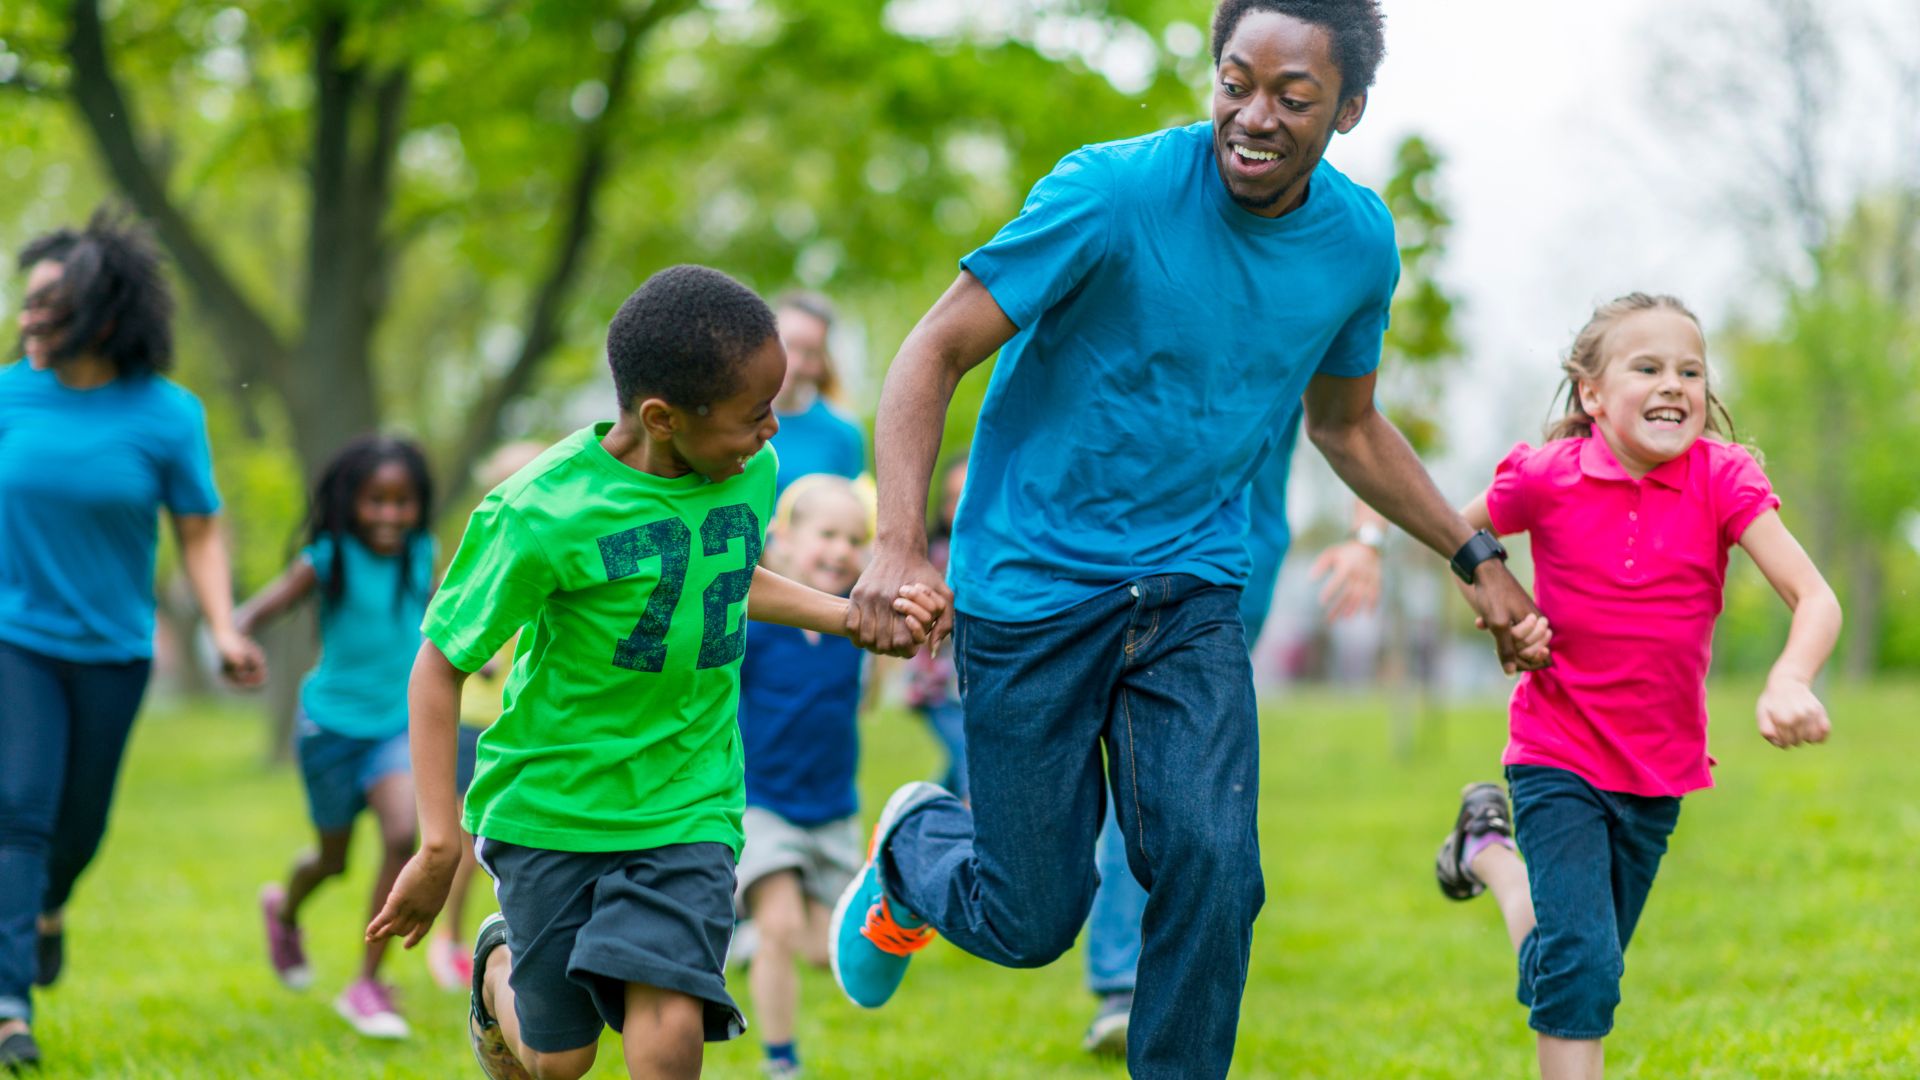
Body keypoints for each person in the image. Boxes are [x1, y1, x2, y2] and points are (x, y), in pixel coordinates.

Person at [830, 4, 1551, 1077]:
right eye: (1235, 81)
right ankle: (910, 851)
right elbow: (933, 349)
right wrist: (896, 543)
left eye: (1293, 97)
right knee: (1033, 917)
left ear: (1347, 108)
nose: (1253, 116)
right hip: (1032, 585)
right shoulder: (1111, 194)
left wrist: (1470, 554)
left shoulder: (1356, 243)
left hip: (1190, 587)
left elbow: (1345, 425)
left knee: (1217, 867)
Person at [365, 265, 944, 1080]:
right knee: (556, 1061)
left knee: (669, 1035)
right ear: (663, 418)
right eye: (754, 415)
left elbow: (725, 575)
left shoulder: (745, 473)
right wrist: (435, 846)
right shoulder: (540, 513)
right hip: (554, 808)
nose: (772, 432)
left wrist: (846, 616)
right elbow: (439, 665)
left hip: (688, 800)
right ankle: (497, 970)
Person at [1432, 294, 1840, 1080]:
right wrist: (1499, 607)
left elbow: (1815, 597)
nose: (1674, 384)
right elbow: (1458, 535)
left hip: (1658, 772)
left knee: (1575, 965)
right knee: (1581, 971)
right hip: (1556, 753)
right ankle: (1495, 846)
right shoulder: (1548, 476)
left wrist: (1791, 678)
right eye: (1647, 367)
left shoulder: (1723, 480)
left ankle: (1484, 849)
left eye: (1691, 370)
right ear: (1592, 394)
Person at [0, 211, 266, 1072]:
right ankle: (8, 1005)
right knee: (20, 810)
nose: (29, 319)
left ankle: (45, 912)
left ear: (103, 315)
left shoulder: (166, 415)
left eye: (50, 308)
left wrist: (224, 626)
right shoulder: (10, 396)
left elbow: (198, 529)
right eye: (27, 305)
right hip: (16, 638)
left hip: (114, 649)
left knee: (78, 828)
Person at [1080, 407, 1389, 1055]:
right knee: (1133, 776)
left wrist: (1368, 539)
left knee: (1181, 790)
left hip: (1234, 577)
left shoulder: (1296, 318)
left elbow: (1356, 423)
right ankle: (1118, 977)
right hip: (1123, 566)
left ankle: (1127, 985)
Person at [238, 435, 437, 1038]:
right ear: (350, 501)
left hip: (394, 726)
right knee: (331, 860)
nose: (389, 515)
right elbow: (253, 613)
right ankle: (286, 909)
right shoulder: (326, 559)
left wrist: (474, 658)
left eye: (402, 502)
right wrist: (238, 643)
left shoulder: (421, 553)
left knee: (403, 833)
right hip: (329, 729)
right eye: (376, 500)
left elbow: (439, 612)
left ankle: (366, 984)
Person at [735, 475, 877, 1078]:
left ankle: (740, 938)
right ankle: (781, 1059)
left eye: (855, 539)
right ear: (781, 542)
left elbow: (867, 700)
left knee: (825, 953)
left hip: (831, 806)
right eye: (827, 534)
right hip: (762, 802)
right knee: (781, 923)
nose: (841, 550)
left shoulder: (856, 629)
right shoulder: (756, 623)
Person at [427, 439, 550, 993]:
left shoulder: (559, 544)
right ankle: (447, 939)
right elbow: (457, 635)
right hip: (476, 722)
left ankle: (518, 937)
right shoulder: (489, 549)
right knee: (462, 832)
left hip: (532, 724)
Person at [901, 454, 970, 802]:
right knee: (973, 768)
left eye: (968, 496)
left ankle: (920, 807)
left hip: (969, 690)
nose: (958, 509)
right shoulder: (938, 556)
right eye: (951, 499)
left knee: (961, 767)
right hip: (940, 689)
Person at [769, 292, 865, 497]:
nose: (794, 365)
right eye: (788, 345)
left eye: (810, 353)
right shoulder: (727, 420)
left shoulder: (842, 434)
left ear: (824, 363)